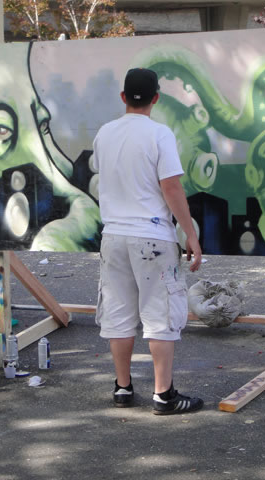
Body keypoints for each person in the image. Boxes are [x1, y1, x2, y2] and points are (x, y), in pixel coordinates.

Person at [92, 68, 204, 415]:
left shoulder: (104, 133)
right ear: (156, 98)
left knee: (118, 314)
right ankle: (163, 395)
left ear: (123, 97)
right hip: (152, 238)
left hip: (113, 236)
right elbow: (171, 187)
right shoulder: (159, 134)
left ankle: (123, 387)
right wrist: (190, 234)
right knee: (160, 316)